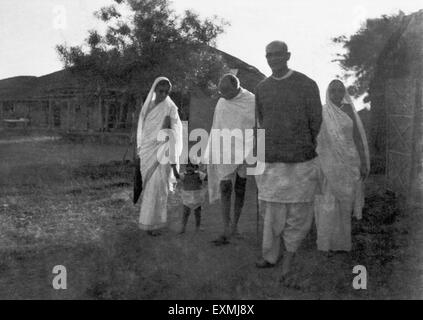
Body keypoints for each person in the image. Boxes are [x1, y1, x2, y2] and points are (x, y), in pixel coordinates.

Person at [254, 41, 322, 285]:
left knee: (298, 214)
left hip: (301, 161)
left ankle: (288, 262)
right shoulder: (262, 88)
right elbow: (262, 121)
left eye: (277, 54)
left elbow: (316, 121)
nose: (273, 58)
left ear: (288, 55)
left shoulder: (306, 84)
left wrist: (301, 144)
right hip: (272, 160)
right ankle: (270, 256)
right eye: (268, 55)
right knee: (271, 212)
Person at [314, 80, 370, 253]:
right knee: (328, 202)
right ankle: (327, 242)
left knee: (345, 202)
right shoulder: (322, 112)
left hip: (349, 160)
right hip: (328, 163)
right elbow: (318, 139)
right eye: (333, 90)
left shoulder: (349, 112)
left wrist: (363, 162)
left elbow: (357, 138)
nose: (336, 94)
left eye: (340, 90)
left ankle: (343, 243)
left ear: (344, 92)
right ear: (328, 92)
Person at [205, 74, 256, 246]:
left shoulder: (251, 101)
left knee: (240, 188)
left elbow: (257, 124)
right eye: (221, 91)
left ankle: (235, 225)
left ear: (236, 85)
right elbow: (216, 127)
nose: (223, 94)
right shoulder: (221, 102)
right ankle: (225, 227)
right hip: (225, 150)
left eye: (226, 91)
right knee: (225, 187)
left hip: (245, 149)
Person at [136, 77, 183, 236]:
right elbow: (143, 130)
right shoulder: (147, 106)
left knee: (158, 187)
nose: (163, 94)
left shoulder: (170, 107)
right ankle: (147, 222)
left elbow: (172, 130)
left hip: (162, 150)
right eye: (160, 91)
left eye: (166, 92)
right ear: (154, 89)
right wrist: (141, 146)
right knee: (150, 187)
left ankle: (155, 223)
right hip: (148, 150)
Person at [173, 162, 207, 234]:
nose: (189, 168)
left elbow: (206, 178)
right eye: (187, 166)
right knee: (185, 213)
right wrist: (174, 167)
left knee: (197, 213)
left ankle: (198, 227)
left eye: (191, 166)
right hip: (187, 197)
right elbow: (177, 176)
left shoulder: (199, 174)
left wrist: (208, 168)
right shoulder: (184, 175)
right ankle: (183, 228)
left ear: (195, 168)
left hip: (197, 197)